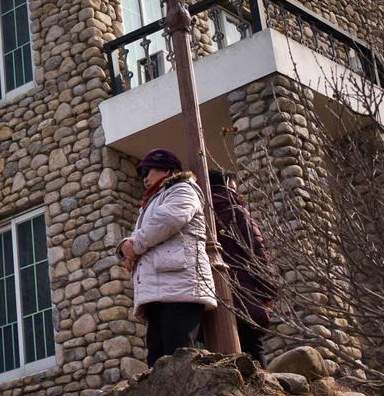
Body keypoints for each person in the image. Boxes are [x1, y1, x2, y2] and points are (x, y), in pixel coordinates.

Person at [119, 148, 217, 367]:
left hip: (180, 285)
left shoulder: (183, 190)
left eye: (148, 170)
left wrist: (133, 247)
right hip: (162, 287)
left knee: (180, 354)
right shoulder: (151, 202)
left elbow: (166, 221)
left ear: (168, 170)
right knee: (158, 356)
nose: (145, 177)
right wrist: (127, 248)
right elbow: (148, 231)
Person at [209, 169, 278, 366]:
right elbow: (257, 251)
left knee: (220, 355)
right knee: (253, 347)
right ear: (228, 185)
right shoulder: (236, 212)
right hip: (244, 289)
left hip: (211, 293)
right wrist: (269, 290)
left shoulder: (199, 214)